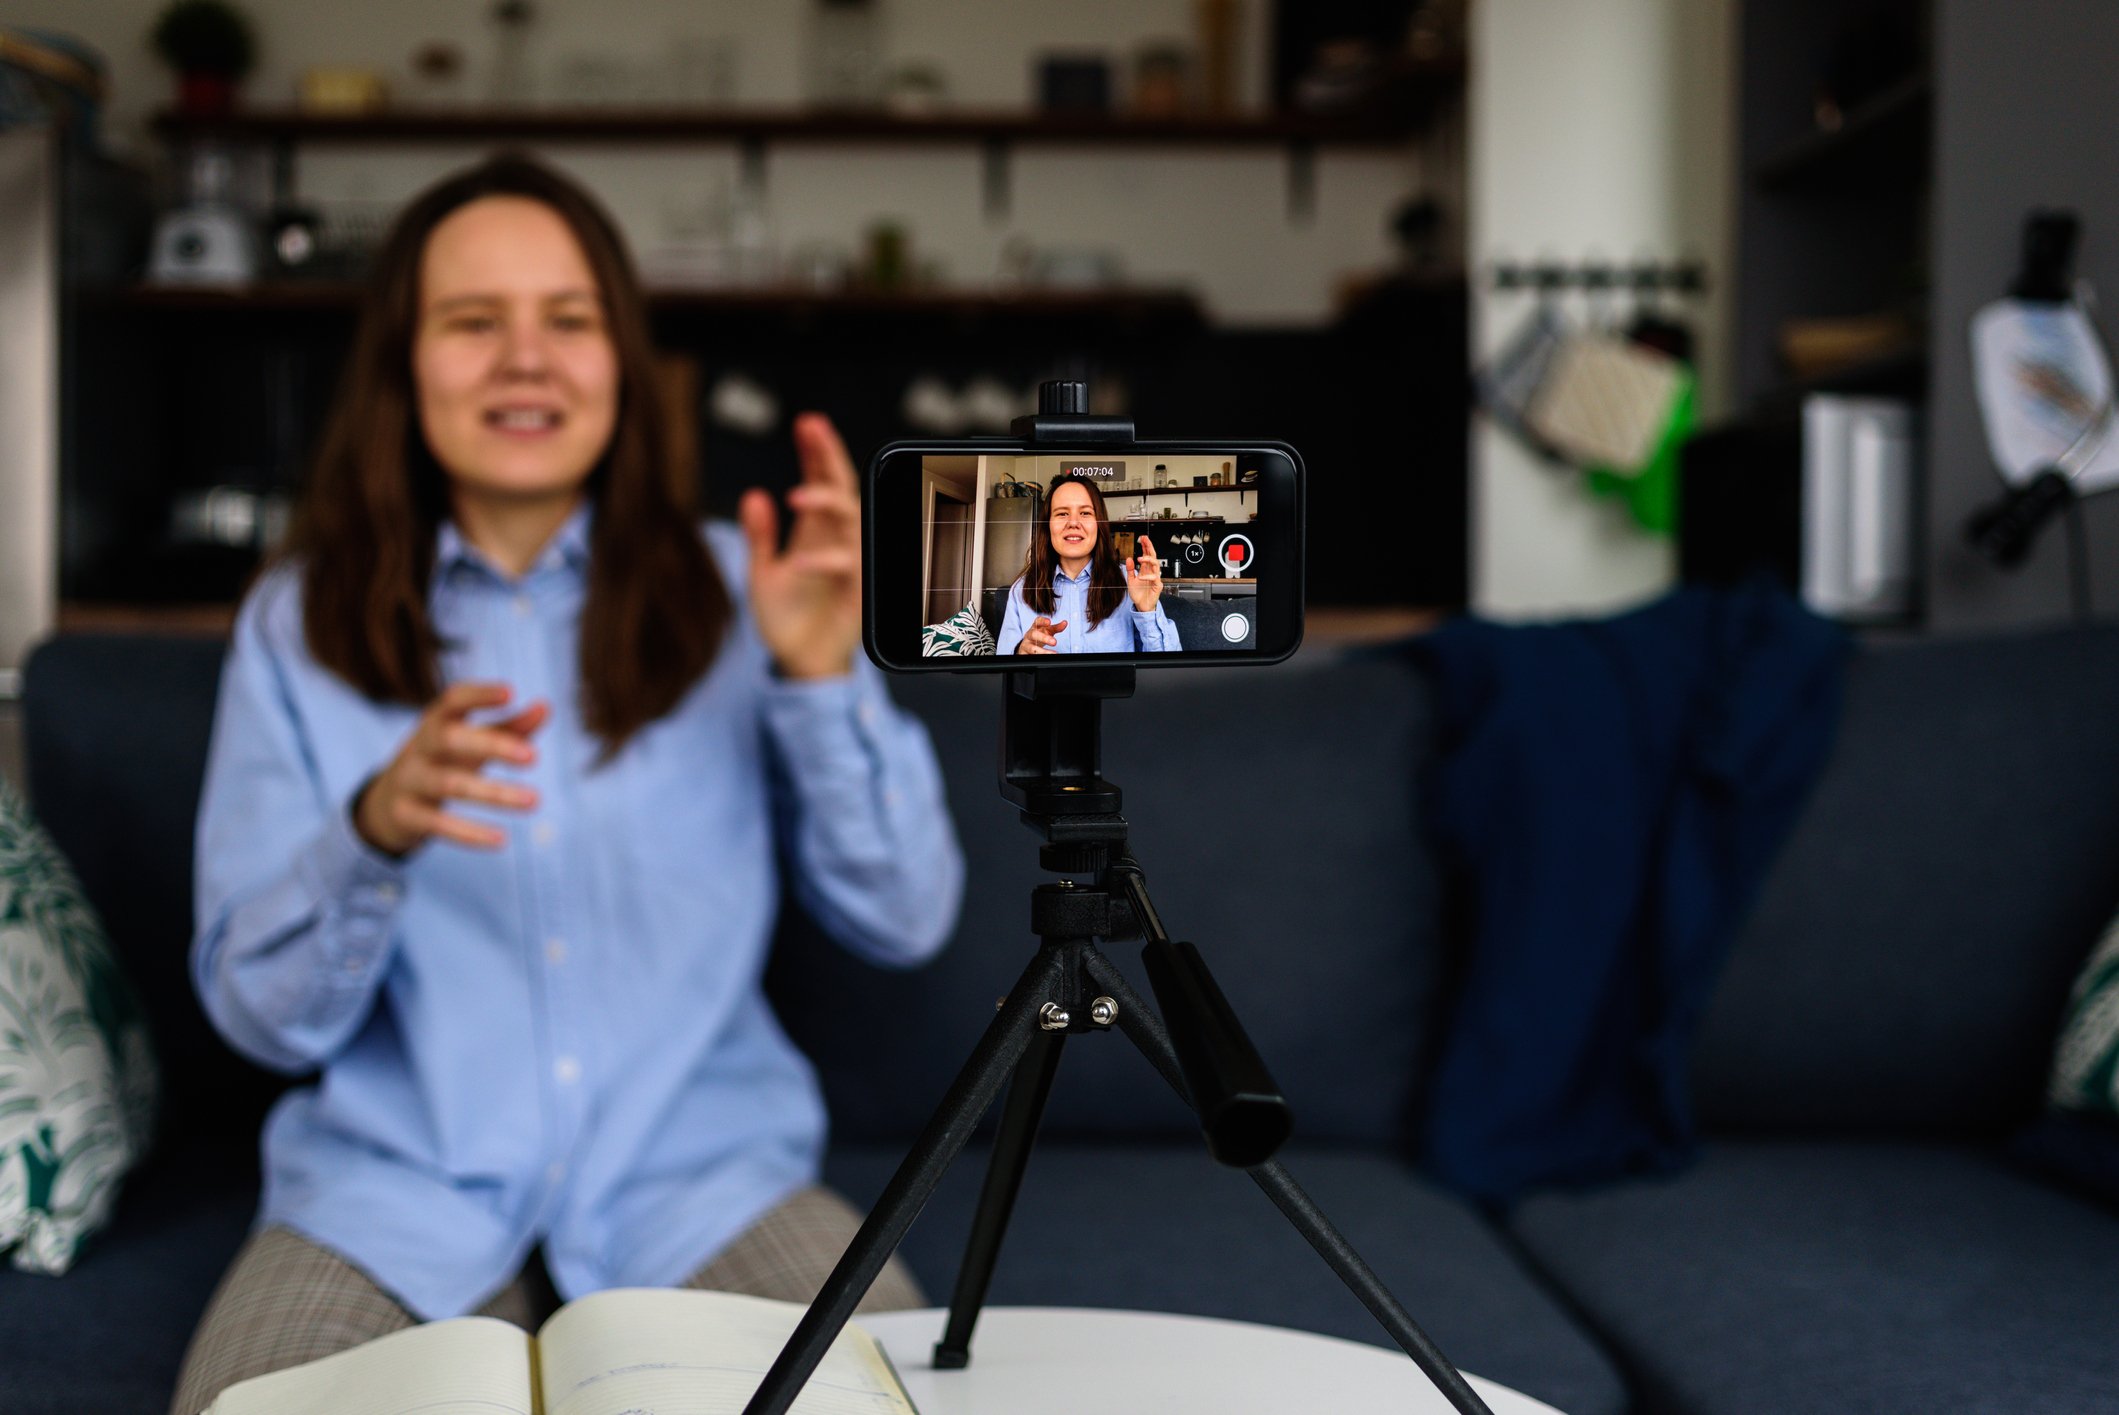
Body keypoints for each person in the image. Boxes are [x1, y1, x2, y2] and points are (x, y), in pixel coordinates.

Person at [170, 155, 964, 1414]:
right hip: (396, 1193)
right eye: (474, 322)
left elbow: (907, 915)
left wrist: (819, 676)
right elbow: (267, 1022)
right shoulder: (296, 620)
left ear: (623, 362)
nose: (525, 360)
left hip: (705, 1182)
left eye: (570, 320)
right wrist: (369, 833)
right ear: (403, 366)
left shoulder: (741, 592)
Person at [997, 475, 1181, 654]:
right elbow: (1003, 673)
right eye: (1062, 513)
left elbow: (1168, 672)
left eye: (1085, 513)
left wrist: (1147, 611)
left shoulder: (1128, 583)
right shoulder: (1021, 590)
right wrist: (1019, 653)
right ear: (1047, 526)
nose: (1074, 523)